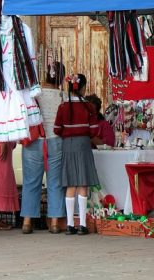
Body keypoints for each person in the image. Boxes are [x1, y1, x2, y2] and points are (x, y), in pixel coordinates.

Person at [54, 74, 100, 235]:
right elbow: (95, 130)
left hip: (67, 145)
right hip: (83, 144)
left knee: (70, 184)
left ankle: (69, 224)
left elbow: (57, 129)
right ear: (83, 88)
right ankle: (82, 224)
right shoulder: (88, 107)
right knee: (83, 183)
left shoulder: (62, 107)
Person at [20, 79, 66, 234]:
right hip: (56, 140)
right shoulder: (63, 95)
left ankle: (27, 222)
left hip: (34, 141)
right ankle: (54, 222)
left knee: (31, 182)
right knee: (55, 182)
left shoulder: (33, 94)